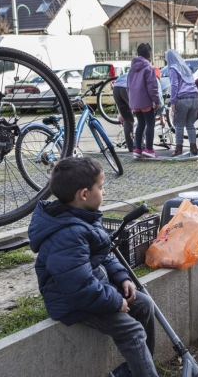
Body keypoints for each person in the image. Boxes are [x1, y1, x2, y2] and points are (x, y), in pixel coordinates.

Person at [28, 157, 157, 377]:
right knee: (132, 331)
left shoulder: (81, 216)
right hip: (72, 301)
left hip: (94, 288)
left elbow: (101, 254)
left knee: (144, 304)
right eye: (101, 187)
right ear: (84, 194)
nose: (104, 192)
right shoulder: (68, 233)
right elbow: (78, 286)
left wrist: (121, 277)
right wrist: (116, 302)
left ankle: (134, 370)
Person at [127, 43, 161, 158]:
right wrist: (157, 101)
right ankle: (149, 149)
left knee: (140, 123)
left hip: (135, 101)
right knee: (150, 123)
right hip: (145, 100)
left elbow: (128, 86)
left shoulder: (132, 68)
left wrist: (131, 100)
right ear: (149, 53)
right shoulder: (148, 68)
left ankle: (138, 149)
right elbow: (152, 86)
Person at [165, 49, 198, 156]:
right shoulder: (185, 68)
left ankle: (178, 149)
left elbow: (174, 85)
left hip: (182, 99)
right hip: (194, 97)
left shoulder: (173, 68)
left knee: (179, 125)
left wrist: (173, 101)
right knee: (190, 125)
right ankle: (193, 148)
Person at [113, 73, 134, 152]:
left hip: (116, 88)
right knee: (141, 117)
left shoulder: (128, 72)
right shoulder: (145, 71)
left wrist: (121, 114)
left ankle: (131, 147)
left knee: (127, 120)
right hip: (126, 88)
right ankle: (139, 145)